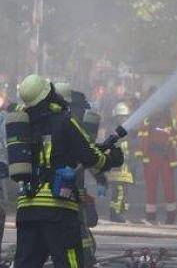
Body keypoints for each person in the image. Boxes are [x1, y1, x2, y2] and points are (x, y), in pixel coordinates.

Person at [13, 74, 123, 268]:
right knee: (69, 262)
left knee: (26, 264)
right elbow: (90, 157)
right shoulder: (64, 121)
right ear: (49, 94)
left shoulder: (22, 125)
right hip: (58, 209)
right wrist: (111, 159)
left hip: (27, 209)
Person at [55, 82, 100, 266]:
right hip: (64, 194)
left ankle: (84, 258)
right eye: (80, 109)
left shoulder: (62, 125)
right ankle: (84, 259)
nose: (82, 113)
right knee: (74, 234)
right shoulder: (68, 127)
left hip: (70, 193)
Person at [135, 108, 177, 225]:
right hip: (151, 156)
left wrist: (171, 144)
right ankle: (151, 215)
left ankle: (171, 214)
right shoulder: (147, 121)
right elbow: (141, 138)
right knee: (151, 186)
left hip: (166, 157)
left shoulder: (171, 121)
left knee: (168, 186)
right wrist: (140, 153)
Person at [106, 101, 135, 223]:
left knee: (125, 192)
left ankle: (121, 213)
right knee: (119, 191)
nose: (123, 119)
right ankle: (115, 213)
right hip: (117, 169)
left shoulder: (127, 132)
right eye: (121, 117)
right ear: (116, 117)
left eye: (125, 117)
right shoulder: (114, 132)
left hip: (126, 169)